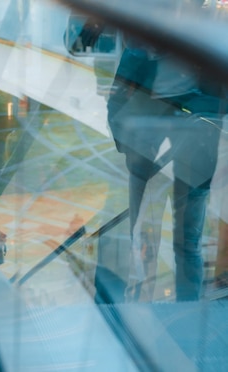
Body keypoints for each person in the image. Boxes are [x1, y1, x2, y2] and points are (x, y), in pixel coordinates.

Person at [100, 35, 223, 302]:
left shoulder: (200, 46)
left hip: (187, 163)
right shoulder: (145, 46)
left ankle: (172, 310)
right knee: (157, 241)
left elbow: (116, 99)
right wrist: (129, 147)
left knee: (181, 243)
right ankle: (148, 308)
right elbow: (116, 99)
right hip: (155, 162)